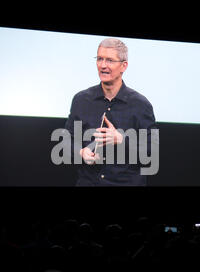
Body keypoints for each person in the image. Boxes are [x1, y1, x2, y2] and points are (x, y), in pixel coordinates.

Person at [65, 38, 157, 186]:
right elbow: (66, 140)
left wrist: (121, 141)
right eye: (100, 59)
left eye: (109, 60)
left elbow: (151, 151)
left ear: (123, 66)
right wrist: (81, 152)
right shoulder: (81, 100)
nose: (102, 65)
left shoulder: (141, 105)